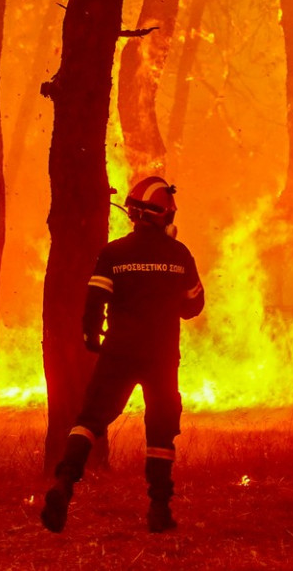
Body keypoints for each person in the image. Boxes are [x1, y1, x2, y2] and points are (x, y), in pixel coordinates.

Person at [41, 176, 205, 534]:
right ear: (164, 214)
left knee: (90, 419)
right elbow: (195, 306)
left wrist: (90, 334)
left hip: (119, 350)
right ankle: (159, 510)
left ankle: (64, 484)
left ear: (133, 213)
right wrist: (167, 296)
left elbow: (95, 299)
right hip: (161, 356)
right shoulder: (179, 255)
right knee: (160, 430)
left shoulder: (113, 253)